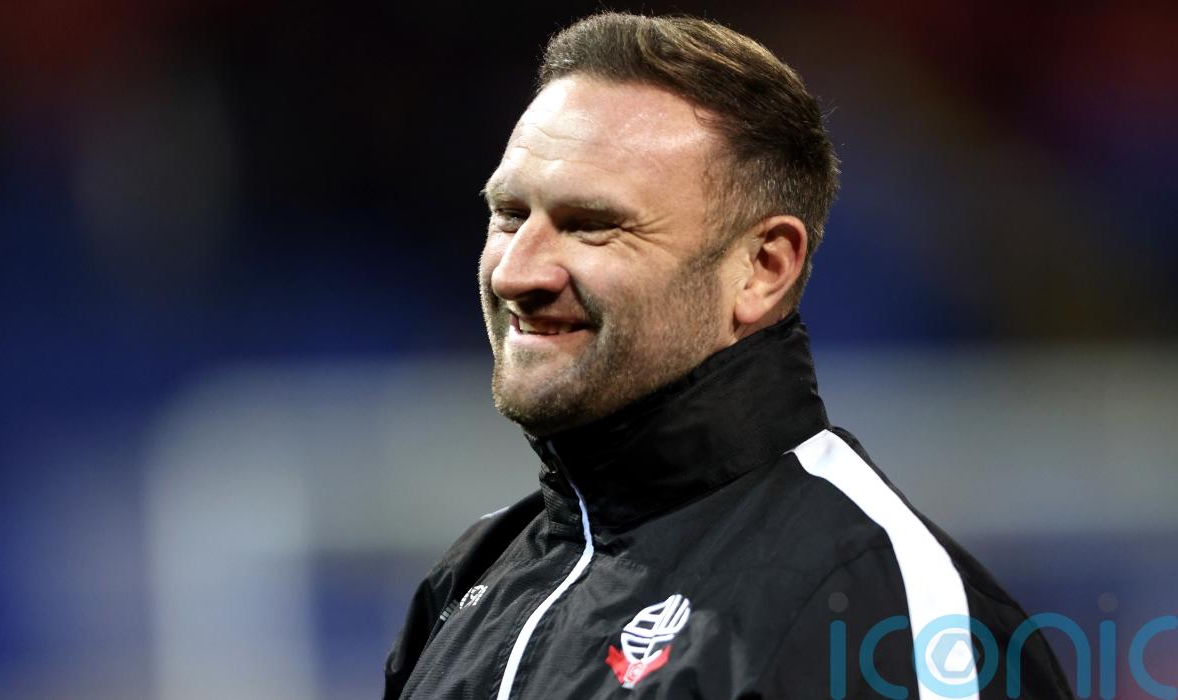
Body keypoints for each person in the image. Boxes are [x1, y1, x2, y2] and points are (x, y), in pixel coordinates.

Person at [384, 12, 1073, 699]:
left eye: (591, 225)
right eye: (509, 215)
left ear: (762, 268)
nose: (516, 273)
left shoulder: (879, 606)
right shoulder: (472, 578)